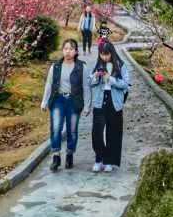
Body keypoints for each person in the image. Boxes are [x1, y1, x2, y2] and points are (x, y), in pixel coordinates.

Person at [41, 39, 88, 172]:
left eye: (71, 49)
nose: (68, 51)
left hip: (74, 100)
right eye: (66, 48)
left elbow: (86, 86)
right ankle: (56, 156)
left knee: (72, 130)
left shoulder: (81, 66)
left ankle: (69, 154)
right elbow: (49, 84)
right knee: (56, 128)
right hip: (58, 100)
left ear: (76, 52)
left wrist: (87, 105)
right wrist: (44, 101)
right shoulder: (55, 66)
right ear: (62, 50)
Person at [88, 41, 129, 173]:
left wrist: (110, 78)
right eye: (102, 54)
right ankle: (99, 159)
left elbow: (125, 84)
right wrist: (95, 76)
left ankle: (109, 161)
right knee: (97, 133)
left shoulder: (120, 65)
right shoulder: (97, 65)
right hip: (100, 100)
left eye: (107, 54)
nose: (104, 57)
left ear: (112, 52)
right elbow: (89, 82)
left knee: (113, 132)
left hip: (114, 101)